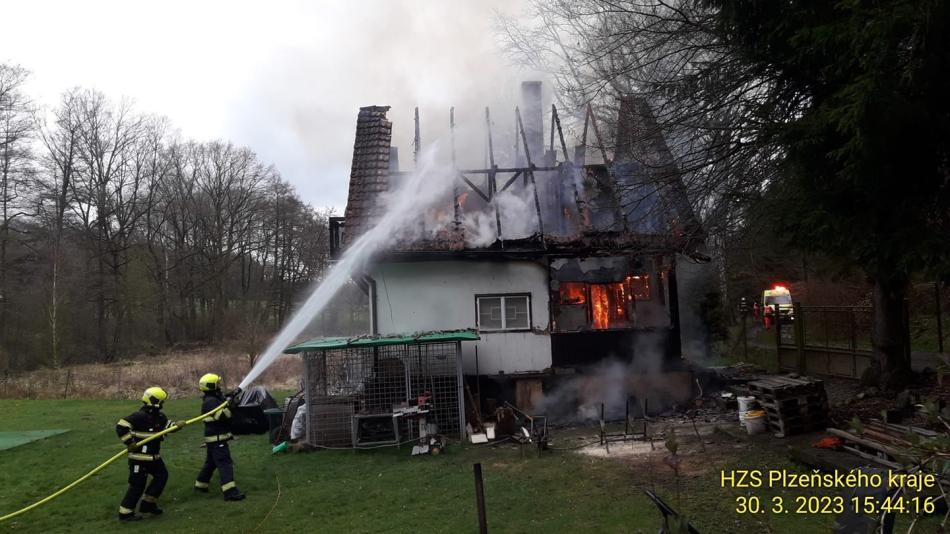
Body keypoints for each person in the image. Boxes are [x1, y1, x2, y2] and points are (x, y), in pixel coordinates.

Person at [115, 386, 181, 521]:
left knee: (162, 476)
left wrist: (176, 426)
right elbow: (121, 426)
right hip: (139, 458)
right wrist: (129, 443)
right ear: (155, 401)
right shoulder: (139, 416)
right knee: (137, 484)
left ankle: (148, 504)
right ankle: (125, 512)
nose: (163, 404)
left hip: (153, 457)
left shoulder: (160, 416)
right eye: (162, 401)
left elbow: (166, 426)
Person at [193, 373, 246, 501]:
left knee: (211, 463)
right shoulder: (211, 401)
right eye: (217, 383)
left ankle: (200, 485)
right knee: (225, 464)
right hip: (217, 438)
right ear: (212, 386)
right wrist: (232, 406)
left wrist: (230, 398)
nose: (219, 385)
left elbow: (222, 402)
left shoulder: (213, 398)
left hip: (214, 438)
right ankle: (230, 493)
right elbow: (222, 416)